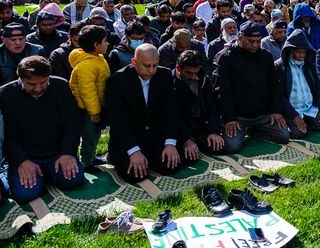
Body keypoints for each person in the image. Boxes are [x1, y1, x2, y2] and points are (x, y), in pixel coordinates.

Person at [0, 56, 85, 203]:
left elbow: (72, 123)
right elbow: (7, 135)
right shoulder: (6, 94)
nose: (38, 88)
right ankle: (8, 173)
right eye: (31, 84)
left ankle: (46, 173)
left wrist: (68, 153)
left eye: (43, 82)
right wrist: (21, 161)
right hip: (26, 155)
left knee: (73, 180)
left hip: (57, 152)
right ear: (20, 78)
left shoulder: (60, 86)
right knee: (25, 194)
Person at [105, 44, 184, 182]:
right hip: (131, 137)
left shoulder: (164, 75)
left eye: (155, 65)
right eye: (147, 66)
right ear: (134, 62)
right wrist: (133, 151)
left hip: (155, 134)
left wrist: (170, 143)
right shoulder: (117, 81)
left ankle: (150, 157)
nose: (152, 70)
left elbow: (172, 111)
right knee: (134, 175)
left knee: (171, 165)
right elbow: (118, 121)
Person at [213, 22, 292, 152]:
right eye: (251, 41)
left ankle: (256, 130)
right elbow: (221, 90)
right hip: (238, 116)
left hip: (262, 114)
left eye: (258, 41)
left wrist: (275, 111)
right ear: (240, 38)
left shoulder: (265, 56)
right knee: (232, 146)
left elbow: (274, 85)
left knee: (284, 136)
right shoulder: (226, 57)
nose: (255, 45)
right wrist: (229, 118)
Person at [275, 30, 320, 138]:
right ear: (291, 50)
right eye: (298, 52)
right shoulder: (279, 67)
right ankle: (298, 124)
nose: (302, 55)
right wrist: (294, 116)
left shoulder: (308, 65)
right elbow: (280, 96)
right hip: (291, 111)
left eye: (304, 52)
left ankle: (307, 123)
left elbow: (318, 87)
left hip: (309, 108)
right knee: (298, 133)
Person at [68, 25, 110, 170]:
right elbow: (88, 91)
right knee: (89, 136)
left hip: (97, 106)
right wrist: (94, 111)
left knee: (96, 134)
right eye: (105, 41)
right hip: (88, 110)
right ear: (96, 45)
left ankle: (92, 157)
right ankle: (86, 162)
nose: (107, 44)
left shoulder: (98, 58)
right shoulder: (86, 65)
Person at [173, 50, 225, 157]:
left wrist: (213, 131)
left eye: (196, 73)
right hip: (179, 129)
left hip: (200, 126)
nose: (193, 77)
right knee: (187, 157)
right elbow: (173, 116)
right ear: (178, 68)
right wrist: (186, 139)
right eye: (188, 73)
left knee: (219, 147)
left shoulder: (203, 80)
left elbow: (212, 106)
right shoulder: (169, 82)